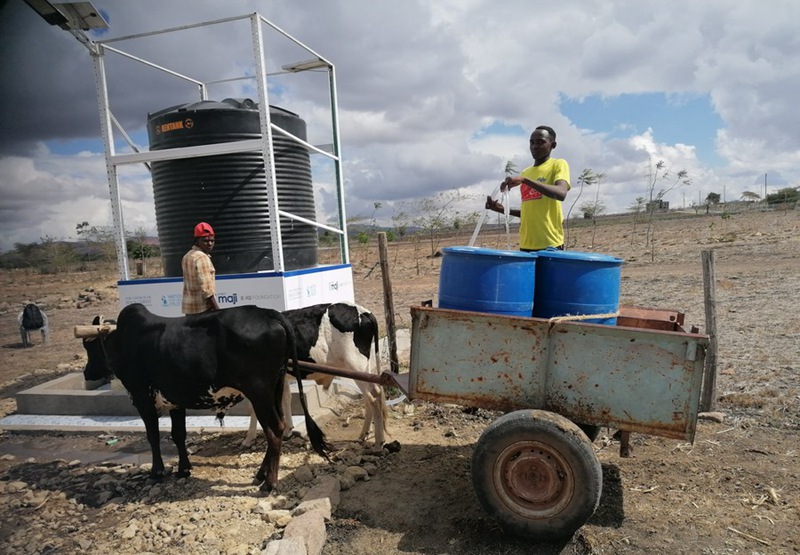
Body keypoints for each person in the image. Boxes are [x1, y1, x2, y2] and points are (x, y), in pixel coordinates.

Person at [485, 125, 571, 251]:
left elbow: (561, 193)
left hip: (550, 244)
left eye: (541, 142)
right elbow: (529, 212)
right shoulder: (526, 172)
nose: (535, 146)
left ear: (553, 145)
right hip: (526, 244)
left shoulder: (558, 164)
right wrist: (501, 209)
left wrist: (525, 181)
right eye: (532, 142)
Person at [181, 222, 220, 314]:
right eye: (205, 241)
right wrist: (218, 312)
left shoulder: (187, 256)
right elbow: (207, 290)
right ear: (197, 240)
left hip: (189, 310)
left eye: (212, 240)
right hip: (203, 311)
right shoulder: (202, 258)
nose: (210, 243)